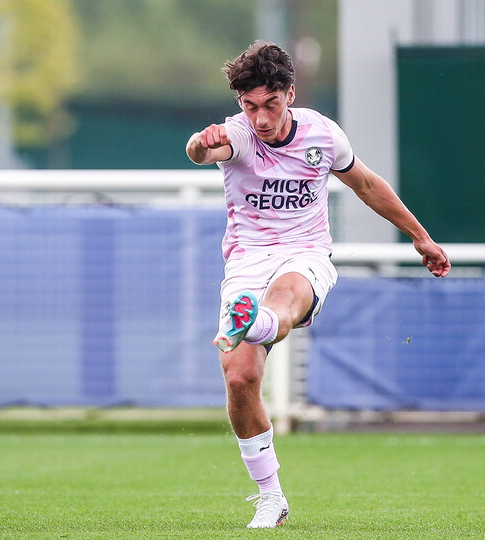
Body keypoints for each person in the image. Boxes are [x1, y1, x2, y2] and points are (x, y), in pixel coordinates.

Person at [185, 41, 450, 529]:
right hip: (246, 261)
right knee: (240, 377)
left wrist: (422, 238)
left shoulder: (323, 135)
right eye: (249, 106)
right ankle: (272, 497)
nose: (260, 118)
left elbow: (367, 185)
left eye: (270, 104)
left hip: (305, 254)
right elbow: (202, 152)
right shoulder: (239, 134)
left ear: (289, 93)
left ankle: (257, 321)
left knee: (282, 299)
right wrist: (202, 142)